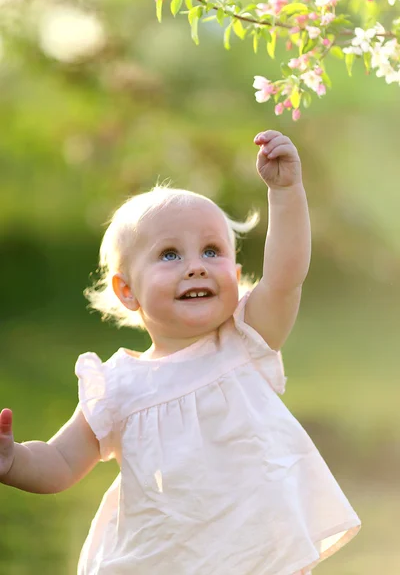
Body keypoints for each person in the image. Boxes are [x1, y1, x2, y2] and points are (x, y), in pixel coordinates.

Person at [0, 130, 360, 574]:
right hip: (165, 559)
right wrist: (13, 460)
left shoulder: (244, 339)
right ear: (127, 291)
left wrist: (286, 194)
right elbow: (59, 463)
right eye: (169, 254)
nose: (196, 265)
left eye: (212, 251)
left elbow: (285, 277)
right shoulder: (116, 388)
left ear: (236, 272)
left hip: (259, 555)